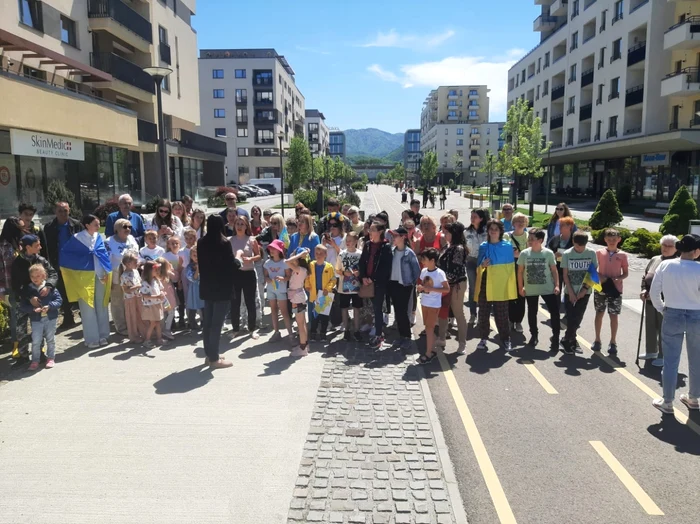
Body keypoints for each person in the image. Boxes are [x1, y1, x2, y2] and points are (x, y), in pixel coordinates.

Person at [649, 234, 700, 414]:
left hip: (672, 312)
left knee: (670, 360)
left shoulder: (666, 264)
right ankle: (694, 397)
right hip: (696, 314)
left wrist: (663, 309)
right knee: (696, 359)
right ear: (696, 251)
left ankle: (668, 401)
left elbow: (654, 292)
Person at [60, 215, 112, 349]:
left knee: (102, 305)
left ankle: (103, 335)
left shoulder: (99, 236)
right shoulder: (77, 238)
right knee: (87, 307)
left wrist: (107, 271)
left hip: (100, 275)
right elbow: (65, 255)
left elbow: (103, 254)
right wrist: (85, 256)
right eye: (95, 224)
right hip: (83, 277)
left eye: (98, 223)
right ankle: (91, 338)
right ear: (87, 225)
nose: (98, 226)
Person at [198, 215, 241, 368]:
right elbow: (231, 265)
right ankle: (214, 359)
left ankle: (209, 354)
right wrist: (239, 257)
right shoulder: (224, 243)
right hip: (222, 287)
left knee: (208, 322)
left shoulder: (201, 242)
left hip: (207, 286)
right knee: (217, 323)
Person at [475, 219, 517, 352]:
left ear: (500, 231)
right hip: (485, 283)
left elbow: (510, 269)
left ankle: (505, 338)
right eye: (491, 229)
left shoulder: (507, 246)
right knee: (483, 313)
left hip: (501, 284)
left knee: (502, 314)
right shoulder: (483, 246)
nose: (493, 231)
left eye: (496, 229)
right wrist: (482, 265)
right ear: (488, 231)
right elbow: (478, 266)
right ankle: (483, 338)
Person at [517, 228, 560, 350]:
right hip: (531, 289)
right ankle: (534, 335)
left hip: (548, 288)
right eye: (529, 238)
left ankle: (556, 337)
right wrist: (521, 287)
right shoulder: (524, 253)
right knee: (532, 312)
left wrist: (557, 285)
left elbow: (554, 270)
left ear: (540, 240)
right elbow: (520, 272)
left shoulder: (548, 253)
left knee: (554, 313)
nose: (529, 240)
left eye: (532, 239)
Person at [639, 235, 679, 365]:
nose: (666, 248)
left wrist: (658, 295)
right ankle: (651, 351)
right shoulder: (655, 259)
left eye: (669, 246)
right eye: (664, 245)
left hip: (666, 302)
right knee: (650, 325)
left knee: (664, 329)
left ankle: (663, 355)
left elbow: (675, 284)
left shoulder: (676, 263)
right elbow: (645, 276)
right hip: (650, 300)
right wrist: (644, 289)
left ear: (676, 248)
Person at [44, 201, 84, 329]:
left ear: (69, 211)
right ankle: (68, 317)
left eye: (65, 210)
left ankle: (84, 315)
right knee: (62, 291)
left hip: (75, 264)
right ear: (55, 212)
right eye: (60, 211)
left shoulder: (76, 225)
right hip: (58, 264)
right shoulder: (49, 227)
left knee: (79, 290)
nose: (63, 213)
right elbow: (47, 247)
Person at [561, 231, 599, 355]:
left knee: (578, 317)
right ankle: (570, 340)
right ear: (573, 242)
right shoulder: (567, 254)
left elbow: (593, 273)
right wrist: (571, 292)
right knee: (571, 317)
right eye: (577, 246)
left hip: (585, 292)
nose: (579, 249)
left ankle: (568, 339)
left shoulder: (591, 253)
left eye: (582, 246)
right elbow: (565, 275)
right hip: (570, 292)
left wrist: (584, 289)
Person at [592, 229, 629, 355]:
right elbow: (592, 269)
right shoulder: (599, 252)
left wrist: (620, 278)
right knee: (599, 313)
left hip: (615, 289)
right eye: (609, 239)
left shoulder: (623, 255)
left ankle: (613, 342)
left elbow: (625, 272)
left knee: (614, 315)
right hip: (601, 287)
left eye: (614, 239)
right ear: (605, 240)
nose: (612, 242)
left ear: (619, 239)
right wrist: (598, 277)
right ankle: (597, 339)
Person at [20, 264, 62, 371]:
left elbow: (59, 300)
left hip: (50, 318)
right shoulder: (29, 289)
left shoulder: (50, 288)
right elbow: (23, 306)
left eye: (38, 276)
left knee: (50, 339)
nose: (35, 279)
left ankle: (51, 358)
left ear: (44, 276)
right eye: (33, 277)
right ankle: (35, 360)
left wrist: (50, 306)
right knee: (36, 341)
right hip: (36, 319)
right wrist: (33, 310)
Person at [0, 217, 31, 361]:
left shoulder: (21, 242)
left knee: (31, 315)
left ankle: (33, 345)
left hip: (28, 284)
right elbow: (3, 267)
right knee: (16, 318)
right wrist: (2, 290)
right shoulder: (4, 244)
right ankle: (17, 346)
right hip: (12, 286)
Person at [359, 222, 393, 349]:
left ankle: (379, 334)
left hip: (378, 283)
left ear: (379, 231)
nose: (370, 232)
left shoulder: (386, 247)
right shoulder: (368, 245)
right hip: (366, 281)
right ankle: (369, 326)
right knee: (368, 306)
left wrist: (373, 279)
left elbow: (386, 268)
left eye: (372, 229)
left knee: (378, 309)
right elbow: (362, 262)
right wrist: (363, 277)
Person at [438, 222, 468, 354]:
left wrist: (443, 282)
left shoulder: (459, 249)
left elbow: (455, 270)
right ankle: (442, 338)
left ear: (454, 234)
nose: (444, 235)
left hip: (456, 285)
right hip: (445, 284)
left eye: (447, 233)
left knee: (458, 312)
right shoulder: (447, 246)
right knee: (443, 311)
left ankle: (462, 343)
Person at [388, 226, 420, 350]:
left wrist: (411, 283)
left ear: (403, 237)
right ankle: (401, 336)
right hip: (393, 283)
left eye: (396, 236)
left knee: (403, 312)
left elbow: (416, 271)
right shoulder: (392, 251)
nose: (393, 238)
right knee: (397, 311)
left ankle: (406, 336)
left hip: (405, 285)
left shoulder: (409, 253)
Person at [106, 218, 139, 336]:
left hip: (132, 272)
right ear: (117, 229)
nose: (128, 229)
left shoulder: (131, 239)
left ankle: (133, 324)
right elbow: (107, 260)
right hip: (117, 273)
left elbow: (137, 254)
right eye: (125, 227)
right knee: (117, 301)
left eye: (129, 226)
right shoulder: (109, 241)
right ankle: (121, 327)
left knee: (132, 298)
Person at [229, 216, 261, 339]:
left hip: (249, 273)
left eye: (242, 224)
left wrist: (251, 259)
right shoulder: (230, 240)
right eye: (237, 223)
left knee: (250, 302)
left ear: (246, 226)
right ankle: (235, 328)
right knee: (235, 303)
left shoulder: (251, 240)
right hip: (235, 274)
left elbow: (259, 256)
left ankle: (252, 328)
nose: (239, 226)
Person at [417, 248, 450, 364]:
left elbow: (446, 289)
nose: (422, 261)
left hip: (433, 304)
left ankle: (428, 353)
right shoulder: (424, 271)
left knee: (429, 329)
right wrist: (420, 288)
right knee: (428, 327)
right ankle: (434, 345)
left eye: (424, 259)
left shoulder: (440, 273)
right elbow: (421, 284)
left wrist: (432, 289)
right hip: (424, 302)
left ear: (432, 260)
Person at [11, 234, 59, 307]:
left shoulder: (41, 260)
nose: (40, 247)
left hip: (45, 298)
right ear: (28, 247)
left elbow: (53, 274)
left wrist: (48, 286)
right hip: (28, 303)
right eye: (37, 245)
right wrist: (30, 297)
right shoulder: (17, 263)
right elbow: (16, 286)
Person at [264, 239, 293, 342]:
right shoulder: (267, 262)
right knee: (273, 310)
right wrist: (268, 280)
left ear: (279, 250)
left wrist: (283, 279)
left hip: (281, 289)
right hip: (271, 289)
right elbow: (266, 276)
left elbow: (289, 276)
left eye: (274, 248)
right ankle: (276, 332)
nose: (272, 250)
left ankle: (290, 334)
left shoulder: (284, 263)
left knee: (284, 312)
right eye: (271, 248)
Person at [336, 231, 363, 342]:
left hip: (357, 287)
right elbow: (337, 269)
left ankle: (356, 330)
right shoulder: (342, 254)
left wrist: (359, 273)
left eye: (350, 241)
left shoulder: (360, 254)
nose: (348, 243)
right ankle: (346, 330)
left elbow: (364, 269)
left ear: (356, 241)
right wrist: (343, 273)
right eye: (347, 240)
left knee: (357, 309)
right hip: (344, 287)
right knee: (344, 308)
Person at [505, 213, 529, 333]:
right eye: (517, 221)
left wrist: (517, 254)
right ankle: (510, 319)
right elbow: (503, 252)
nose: (520, 223)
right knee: (510, 295)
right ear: (513, 223)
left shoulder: (529, 236)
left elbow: (531, 253)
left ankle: (518, 321)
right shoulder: (506, 236)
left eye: (522, 221)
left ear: (526, 224)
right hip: (509, 269)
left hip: (523, 270)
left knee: (521, 295)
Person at [305, 244, 336, 341]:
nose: (318, 255)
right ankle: (313, 332)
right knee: (314, 315)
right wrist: (307, 285)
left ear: (325, 254)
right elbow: (307, 277)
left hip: (324, 295)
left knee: (324, 316)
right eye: (316, 253)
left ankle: (323, 332)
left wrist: (328, 288)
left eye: (321, 253)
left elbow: (333, 279)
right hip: (314, 294)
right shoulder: (311, 265)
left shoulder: (329, 267)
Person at [464, 209, 488, 326]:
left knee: (484, 289)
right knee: (473, 288)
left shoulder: (487, 232)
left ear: (481, 219)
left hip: (484, 262)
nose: (472, 218)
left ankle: (483, 316)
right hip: (471, 261)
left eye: (475, 216)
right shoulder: (466, 232)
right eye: (471, 216)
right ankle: (473, 314)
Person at [286, 248, 311, 357]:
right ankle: (304, 344)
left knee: (300, 324)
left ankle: (303, 348)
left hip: (297, 298)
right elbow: (289, 259)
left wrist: (300, 254)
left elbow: (287, 261)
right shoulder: (301, 269)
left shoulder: (299, 269)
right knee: (302, 323)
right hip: (298, 296)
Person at [119, 250, 146, 344]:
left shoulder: (135, 271)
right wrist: (137, 286)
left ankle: (144, 332)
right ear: (128, 263)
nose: (137, 263)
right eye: (135, 262)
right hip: (130, 299)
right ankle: (134, 336)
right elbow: (125, 289)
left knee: (141, 315)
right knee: (132, 317)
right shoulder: (124, 276)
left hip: (138, 297)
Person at [140, 260, 165, 348]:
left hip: (157, 304)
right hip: (150, 306)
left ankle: (159, 339)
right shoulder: (145, 283)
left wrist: (162, 294)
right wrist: (157, 296)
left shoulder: (156, 280)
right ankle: (147, 340)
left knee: (157, 322)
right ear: (149, 271)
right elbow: (144, 295)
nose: (157, 271)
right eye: (155, 270)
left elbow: (161, 289)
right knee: (153, 322)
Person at [163, 237, 185, 330]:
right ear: (168, 245)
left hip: (181, 280)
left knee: (181, 301)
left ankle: (181, 319)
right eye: (172, 243)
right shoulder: (165, 255)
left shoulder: (182, 253)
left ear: (179, 244)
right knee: (171, 302)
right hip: (170, 282)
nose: (175, 245)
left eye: (176, 243)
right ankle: (171, 322)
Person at [155, 256, 177, 341]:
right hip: (167, 298)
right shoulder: (167, 273)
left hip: (162, 298)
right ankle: (166, 330)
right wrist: (171, 269)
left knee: (163, 314)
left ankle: (162, 330)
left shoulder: (155, 275)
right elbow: (176, 277)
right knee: (170, 313)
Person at [185, 245, 205, 331]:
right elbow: (193, 278)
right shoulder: (189, 267)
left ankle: (204, 323)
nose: (197, 257)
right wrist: (197, 269)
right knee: (193, 306)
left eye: (198, 255)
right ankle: (192, 323)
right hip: (194, 290)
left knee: (204, 306)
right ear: (191, 256)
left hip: (203, 289)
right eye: (194, 255)